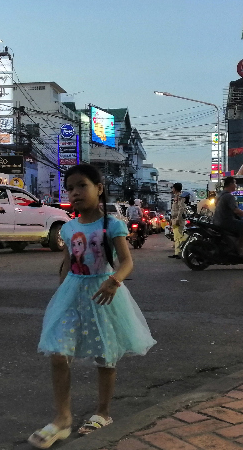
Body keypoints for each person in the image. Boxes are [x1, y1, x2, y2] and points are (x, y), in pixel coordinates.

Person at [29, 164, 155, 448]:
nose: (75, 193)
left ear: (99, 188)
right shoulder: (69, 226)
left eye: (82, 186)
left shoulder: (112, 225)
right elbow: (67, 264)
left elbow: (126, 262)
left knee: (105, 354)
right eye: (70, 188)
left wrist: (114, 281)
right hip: (72, 292)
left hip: (104, 293)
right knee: (59, 353)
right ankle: (62, 419)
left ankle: (103, 412)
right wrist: (61, 296)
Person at [213, 176, 243, 256]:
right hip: (226, 221)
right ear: (231, 184)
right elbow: (236, 210)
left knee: (241, 225)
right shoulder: (229, 196)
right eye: (235, 183)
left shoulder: (220, 195)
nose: (236, 185)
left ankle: (236, 245)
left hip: (217, 221)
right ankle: (241, 250)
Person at [168, 183, 187, 259]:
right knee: (176, 237)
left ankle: (181, 251)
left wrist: (178, 219)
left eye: (173, 188)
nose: (172, 189)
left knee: (180, 236)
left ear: (175, 189)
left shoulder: (180, 197)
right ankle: (177, 253)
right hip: (174, 218)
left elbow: (181, 209)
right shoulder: (176, 197)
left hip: (178, 219)